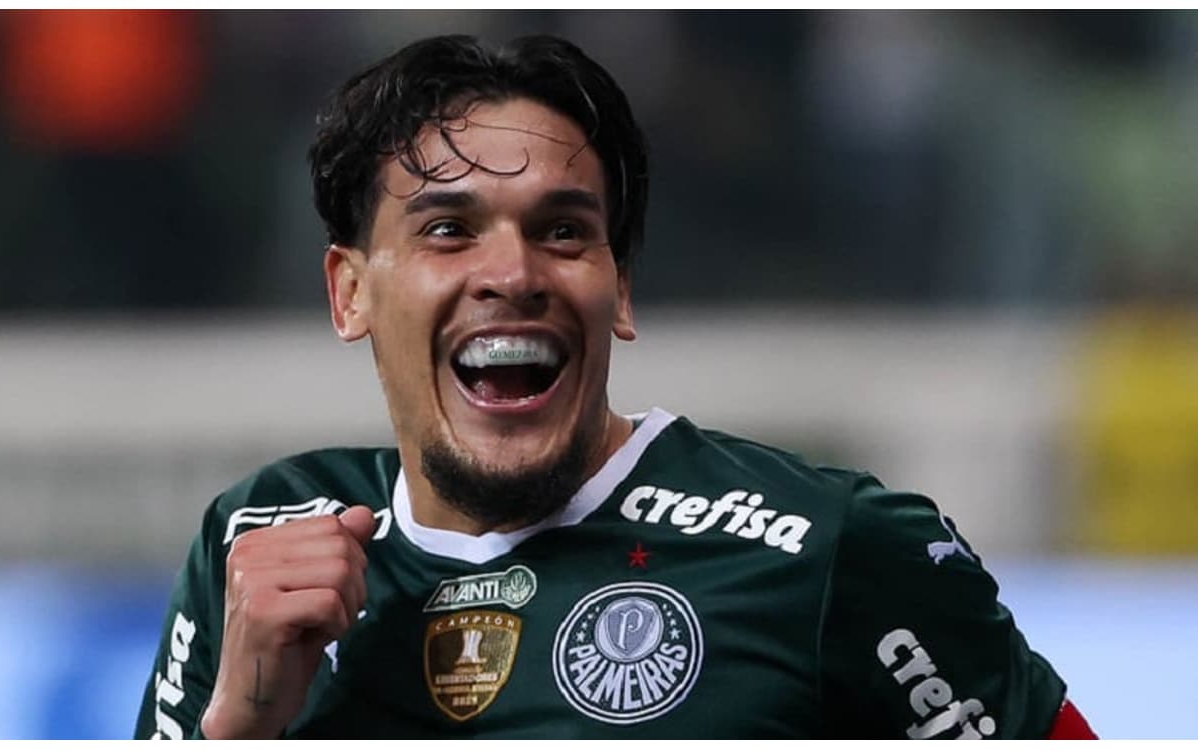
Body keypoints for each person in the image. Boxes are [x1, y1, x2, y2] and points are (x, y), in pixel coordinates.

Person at [134, 34, 1096, 739]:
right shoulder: (259, 542)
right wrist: (243, 724)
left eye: (562, 230)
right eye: (447, 230)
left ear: (619, 291)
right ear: (349, 292)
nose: (513, 273)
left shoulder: (827, 547)